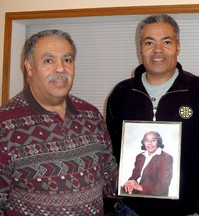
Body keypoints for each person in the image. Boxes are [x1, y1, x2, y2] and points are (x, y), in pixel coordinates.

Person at [105, 14, 199, 216]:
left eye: (166, 42)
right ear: (140, 48)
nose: (157, 50)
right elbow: (111, 153)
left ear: (178, 46)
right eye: (149, 42)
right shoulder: (121, 94)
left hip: (184, 211)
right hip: (130, 210)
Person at [0, 29, 118, 216]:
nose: (61, 68)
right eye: (48, 60)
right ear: (29, 67)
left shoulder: (92, 116)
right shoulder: (5, 124)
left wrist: (141, 178)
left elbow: (108, 177)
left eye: (67, 60)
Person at [122, 131, 173, 196]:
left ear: (158, 142)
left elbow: (163, 186)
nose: (150, 143)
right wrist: (129, 184)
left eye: (153, 140)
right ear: (143, 142)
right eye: (147, 140)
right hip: (137, 193)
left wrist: (139, 187)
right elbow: (134, 176)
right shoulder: (140, 156)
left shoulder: (166, 158)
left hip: (153, 196)